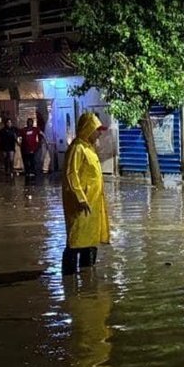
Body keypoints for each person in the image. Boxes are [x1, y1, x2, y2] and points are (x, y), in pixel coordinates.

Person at [61, 112, 110, 276]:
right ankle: (69, 280)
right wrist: (81, 198)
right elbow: (71, 175)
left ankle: (87, 279)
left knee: (89, 241)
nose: (99, 133)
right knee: (76, 241)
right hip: (81, 205)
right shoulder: (77, 148)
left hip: (93, 205)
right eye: (97, 129)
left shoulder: (89, 148)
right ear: (88, 129)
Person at [19, 117, 42, 182]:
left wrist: (41, 143)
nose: (29, 123)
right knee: (26, 161)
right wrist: (19, 144)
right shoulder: (23, 130)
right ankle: (27, 172)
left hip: (33, 148)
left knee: (32, 160)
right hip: (25, 148)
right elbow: (19, 137)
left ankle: (32, 172)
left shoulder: (35, 129)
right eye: (28, 122)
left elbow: (41, 134)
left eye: (31, 122)